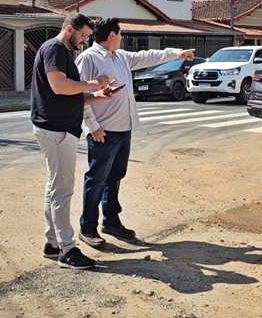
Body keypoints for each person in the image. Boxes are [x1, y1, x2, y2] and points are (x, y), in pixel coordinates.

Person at [75, 17, 195, 248]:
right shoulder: (88, 58)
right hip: (104, 131)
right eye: (120, 34)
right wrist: (93, 126)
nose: (121, 38)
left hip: (124, 129)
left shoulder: (120, 57)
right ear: (111, 35)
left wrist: (177, 53)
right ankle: (87, 227)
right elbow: (81, 95)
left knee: (115, 177)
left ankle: (111, 221)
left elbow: (148, 56)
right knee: (97, 178)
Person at [31, 12, 116, 270]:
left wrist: (97, 95)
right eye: (83, 35)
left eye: (87, 37)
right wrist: (92, 83)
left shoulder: (60, 52)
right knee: (62, 189)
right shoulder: (55, 48)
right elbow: (59, 86)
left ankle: (53, 243)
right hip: (56, 130)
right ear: (70, 29)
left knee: (55, 185)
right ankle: (67, 250)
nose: (84, 41)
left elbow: (69, 95)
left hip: (56, 127)